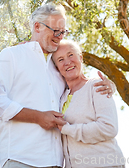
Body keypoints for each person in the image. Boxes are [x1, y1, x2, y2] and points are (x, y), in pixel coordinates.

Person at [0, 3, 115, 168]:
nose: (60, 36)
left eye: (63, 32)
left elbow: (77, 89)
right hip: (22, 158)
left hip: (56, 162)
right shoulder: (12, 55)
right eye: (55, 31)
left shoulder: (57, 65)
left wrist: (110, 86)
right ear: (37, 26)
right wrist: (38, 117)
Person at [52, 39, 125, 168]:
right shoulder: (60, 97)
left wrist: (69, 129)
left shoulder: (97, 85)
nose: (67, 62)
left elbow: (109, 128)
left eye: (70, 55)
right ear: (57, 68)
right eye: (60, 59)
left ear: (80, 57)